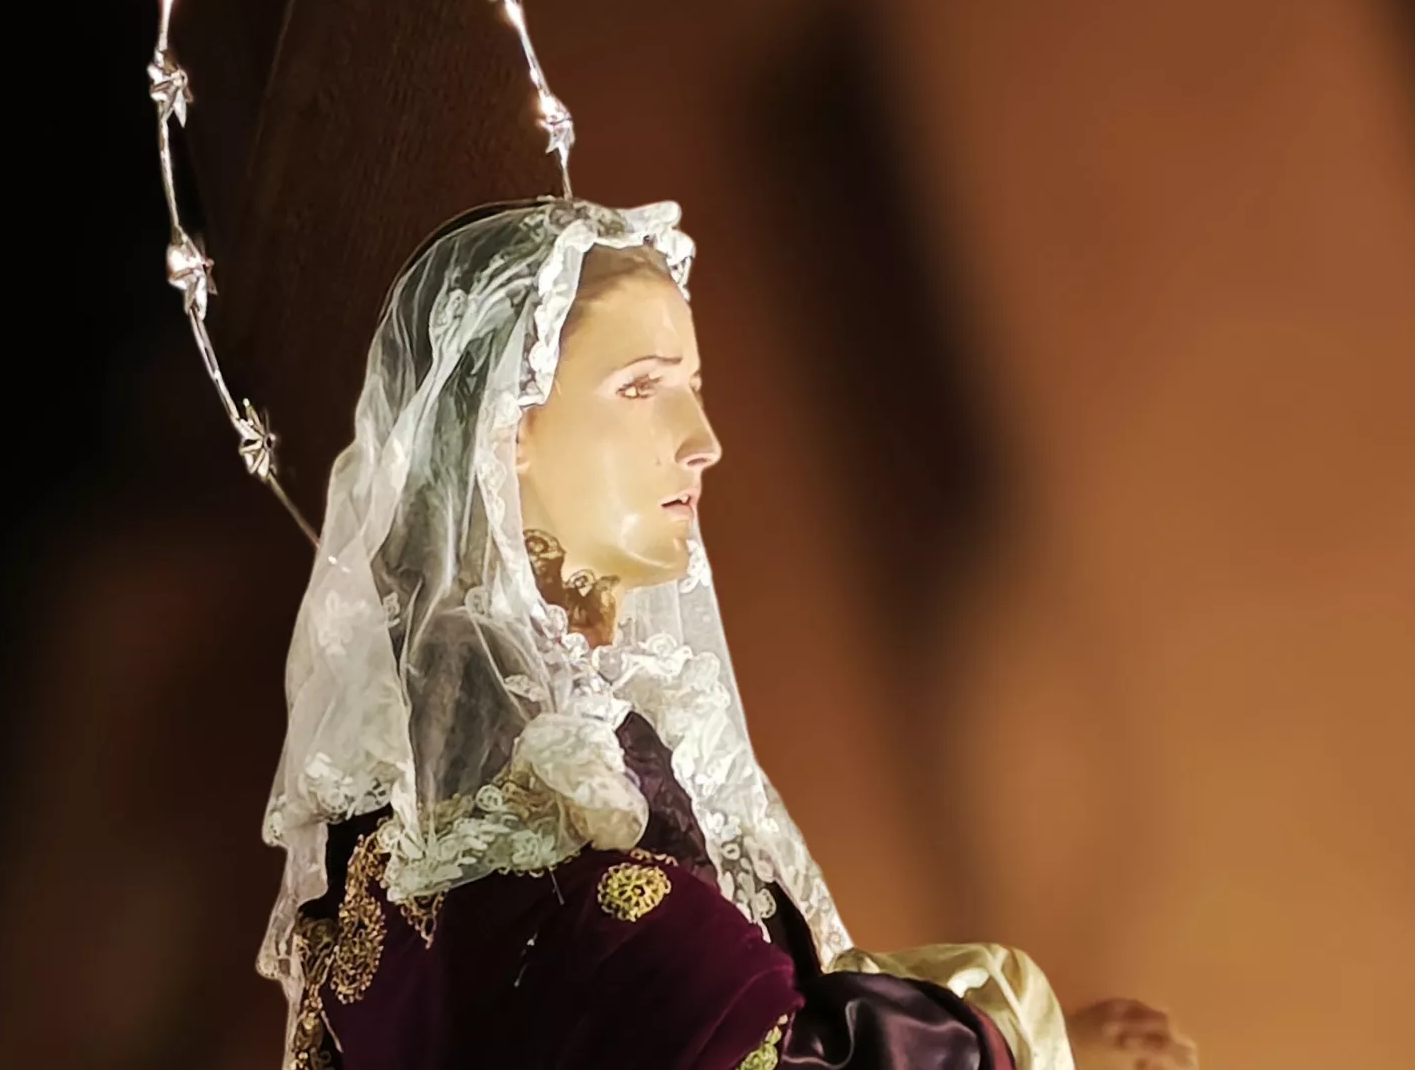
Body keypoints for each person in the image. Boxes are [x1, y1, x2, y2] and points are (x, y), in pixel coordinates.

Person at [257, 199, 1197, 1070]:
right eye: (641, 388)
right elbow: (712, 1029)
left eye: (695, 386)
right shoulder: (487, 755)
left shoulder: (582, 732)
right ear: (509, 427)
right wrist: (1027, 1047)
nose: (701, 436)